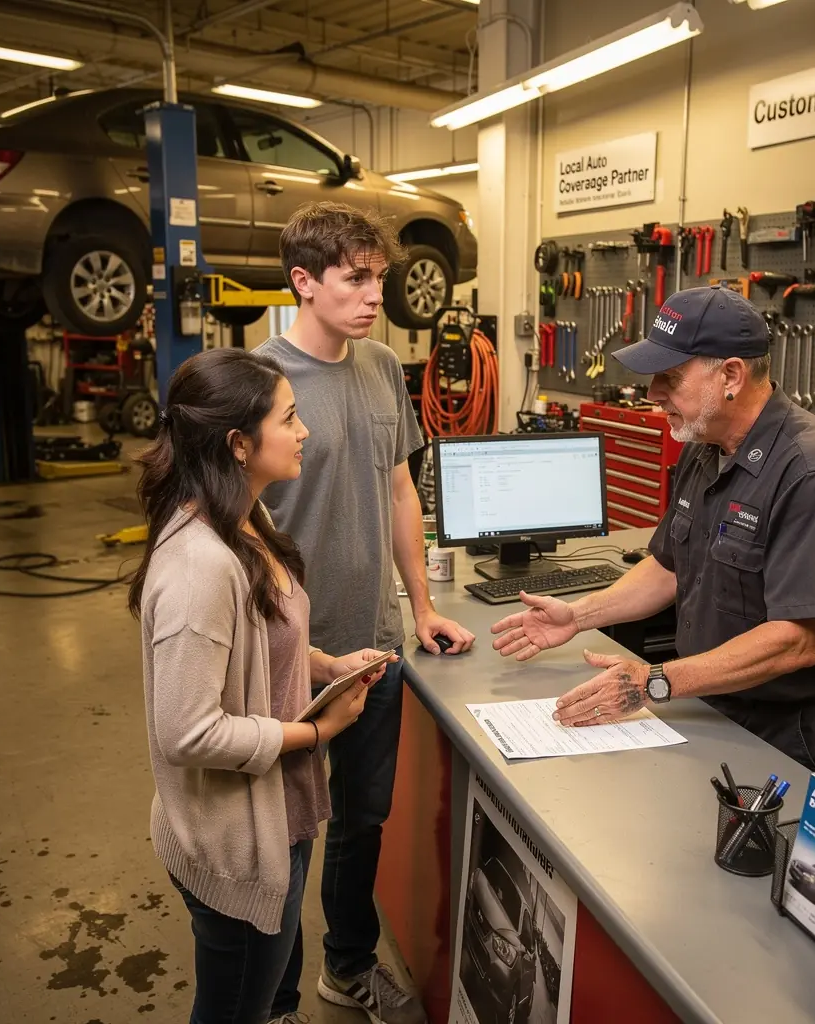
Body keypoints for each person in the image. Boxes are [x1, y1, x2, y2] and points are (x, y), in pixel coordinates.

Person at [492, 285, 815, 770]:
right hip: (710, 705)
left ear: (731, 376)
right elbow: (669, 565)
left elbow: (795, 640)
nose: (652, 393)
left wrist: (655, 681)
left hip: (789, 736)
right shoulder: (707, 446)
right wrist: (578, 616)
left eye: (670, 378)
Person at [253, 202, 475, 1024]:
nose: (375, 294)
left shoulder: (383, 366)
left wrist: (418, 609)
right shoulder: (257, 383)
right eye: (356, 279)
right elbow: (234, 523)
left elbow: (398, 490)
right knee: (285, 834)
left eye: (379, 277)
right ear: (304, 282)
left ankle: (345, 968)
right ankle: (274, 998)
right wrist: (279, 643)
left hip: (377, 648)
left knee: (361, 822)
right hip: (291, 658)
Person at [129, 347, 393, 1024]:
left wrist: (325, 665)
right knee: (236, 1006)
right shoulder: (198, 566)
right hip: (231, 841)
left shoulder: (247, 518)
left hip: (272, 813)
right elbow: (187, 730)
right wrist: (316, 731)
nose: (305, 432)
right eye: (291, 418)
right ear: (239, 444)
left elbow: (261, 643)